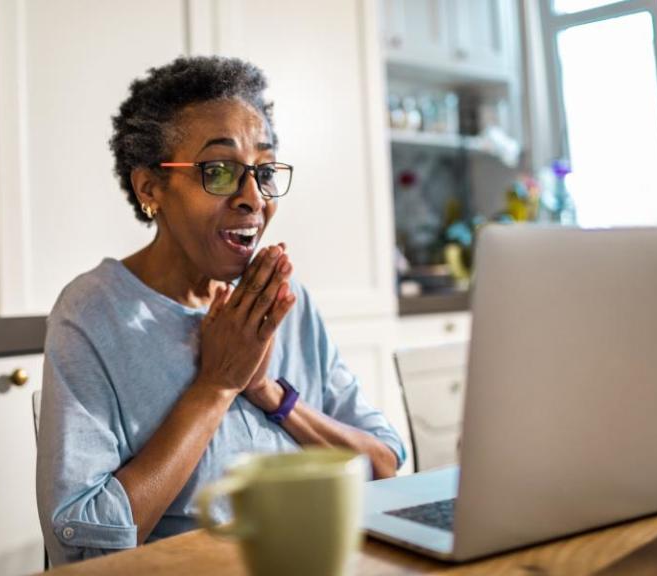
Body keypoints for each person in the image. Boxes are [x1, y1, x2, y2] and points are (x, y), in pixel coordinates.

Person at [36, 56, 406, 565]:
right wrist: (218, 385)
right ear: (150, 189)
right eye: (220, 171)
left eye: (265, 171)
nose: (253, 198)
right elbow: (83, 542)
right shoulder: (93, 313)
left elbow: (385, 465)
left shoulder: (281, 297)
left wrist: (270, 394)